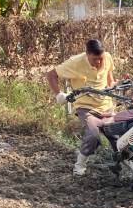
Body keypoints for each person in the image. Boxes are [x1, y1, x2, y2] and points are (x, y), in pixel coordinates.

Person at [46, 38, 116, 175]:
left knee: (118, 137)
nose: (99, 62)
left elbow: (108, 71)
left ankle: (129, 168)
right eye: (95, 59)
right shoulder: (76, 63)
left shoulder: (107, 57)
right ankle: (79, 166)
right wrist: (59, 94)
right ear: (87, 54)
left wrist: (112, 82)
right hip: (86, 106)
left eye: (100, 59)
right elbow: (51, 75)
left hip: (106, 105)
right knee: (92, 136)